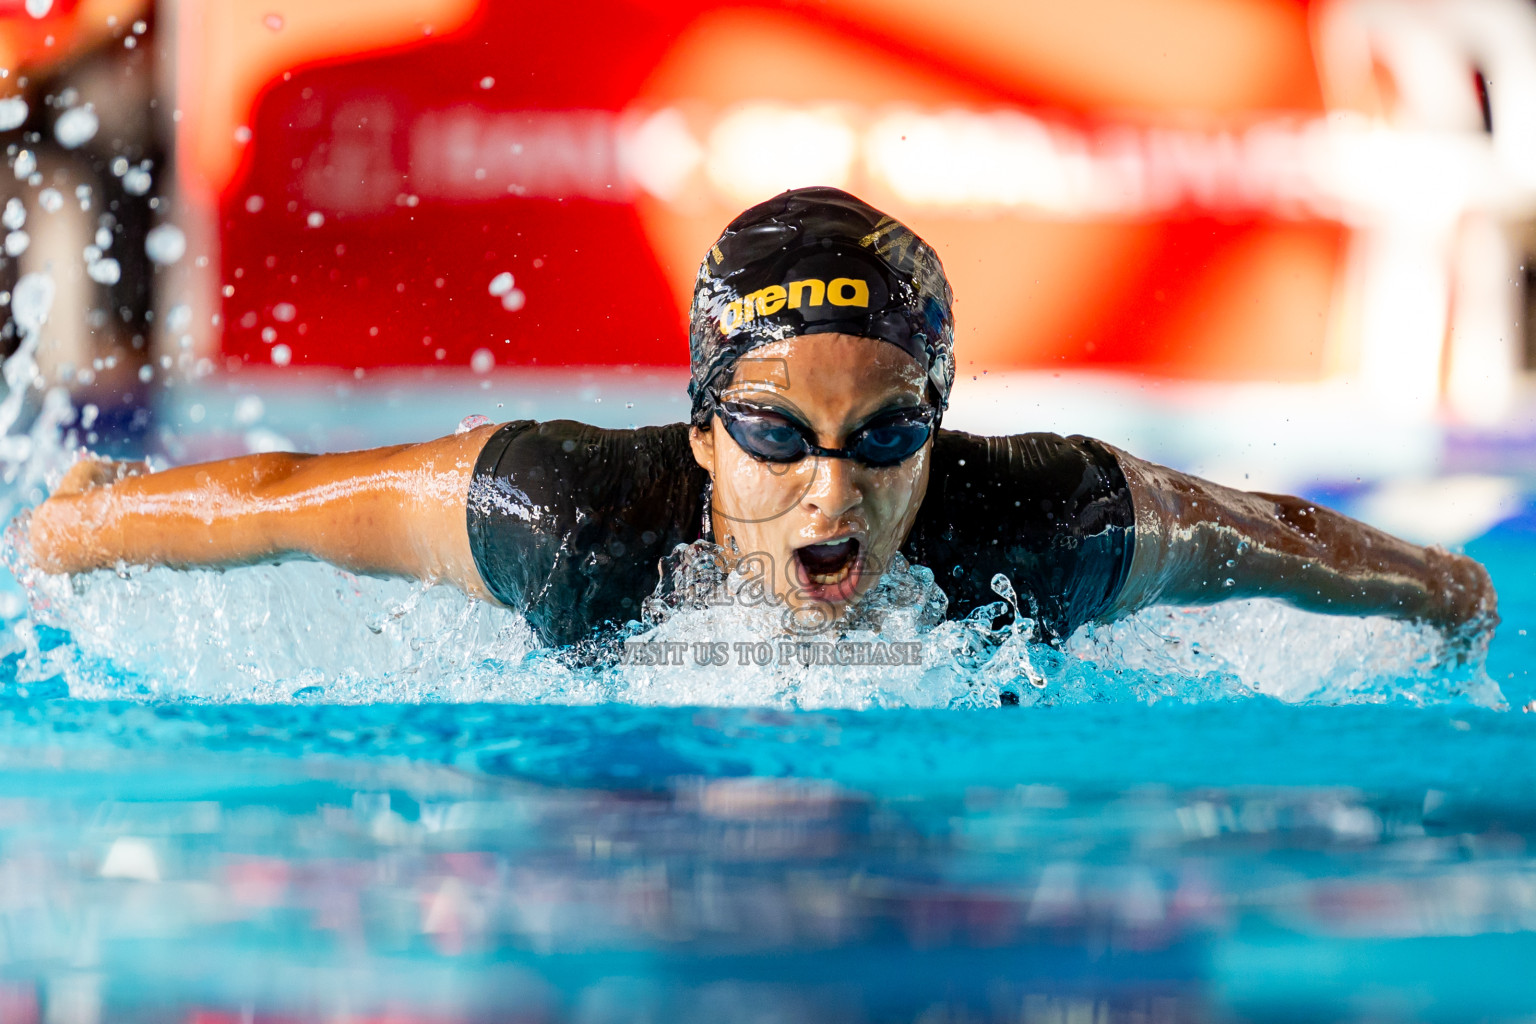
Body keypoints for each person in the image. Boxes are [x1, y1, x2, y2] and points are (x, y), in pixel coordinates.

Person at [23, 187, 1497, 652]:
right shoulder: (574, 518)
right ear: (705, 429)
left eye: (886, 441)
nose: (832, 497)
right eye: (780, 440)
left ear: (942, 424)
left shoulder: (1048, 521)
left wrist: (1451, 589)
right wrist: (76, 524)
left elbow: (1279, 536)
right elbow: (281, 496)